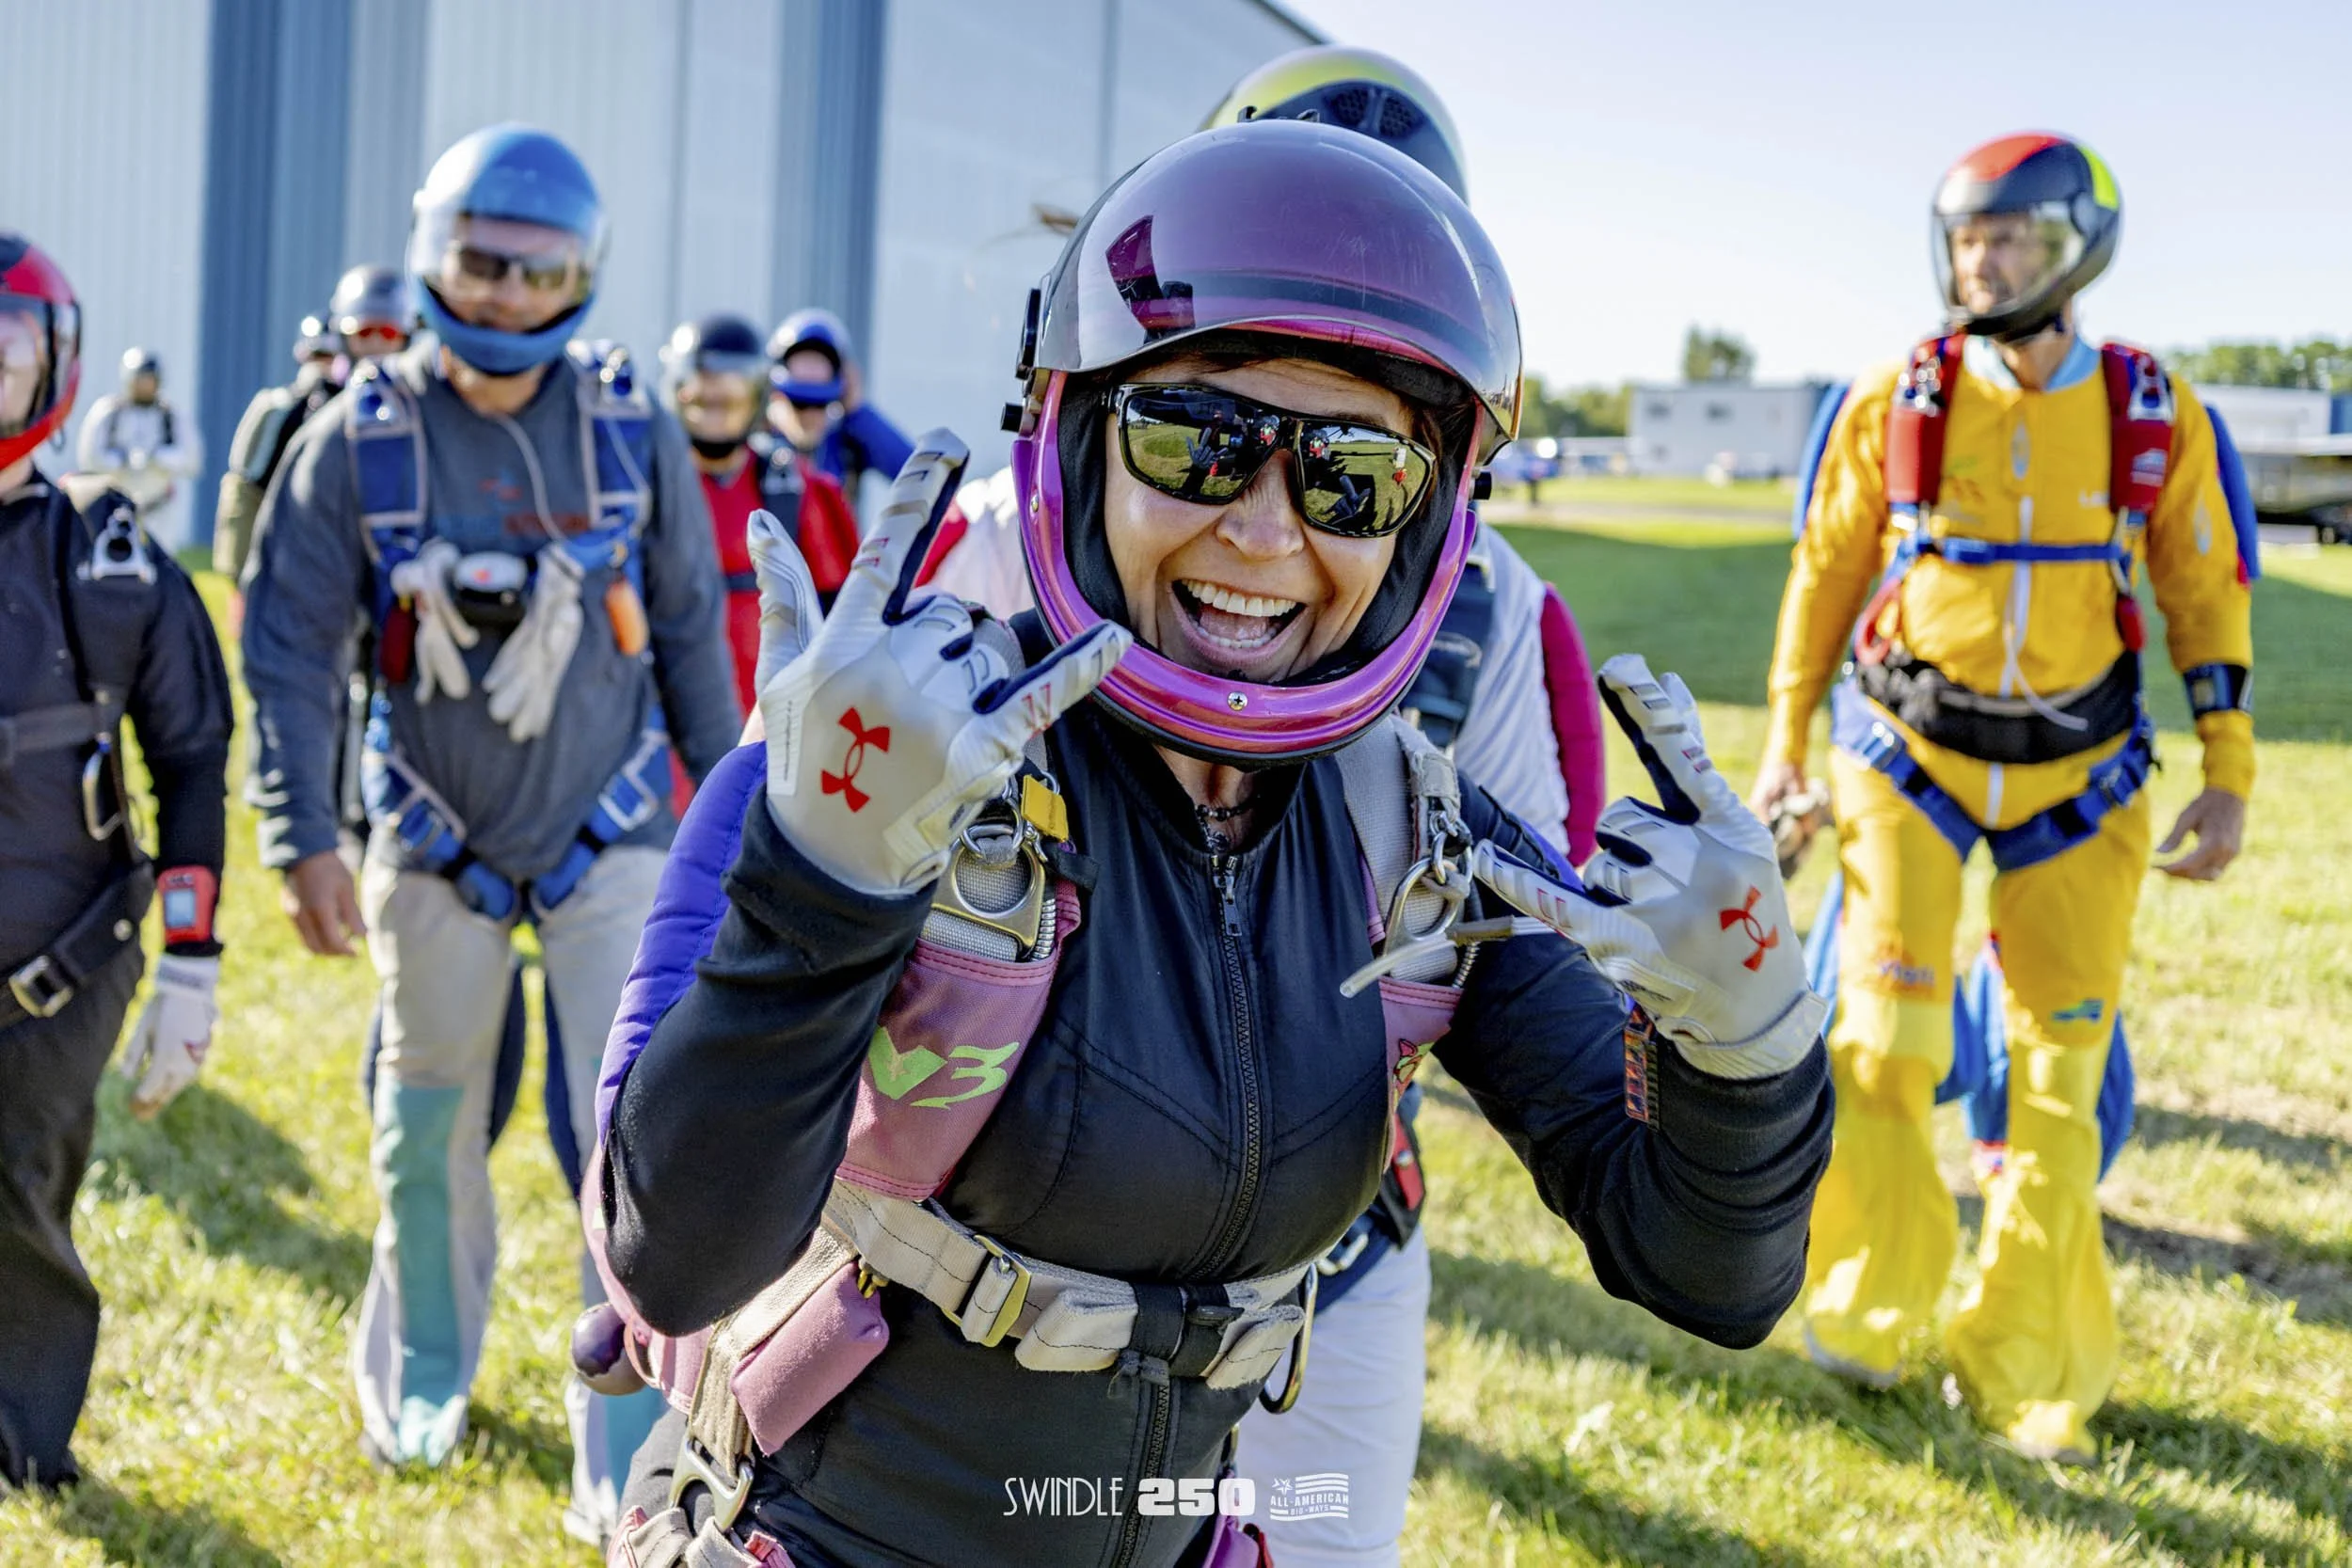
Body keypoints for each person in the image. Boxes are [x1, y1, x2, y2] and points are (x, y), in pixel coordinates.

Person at [584, 120, 1833, 1568]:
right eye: (1197, 442)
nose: (1261, 530)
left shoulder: (1411, 838)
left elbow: (1715, 1274)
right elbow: (668, 1254)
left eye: (1350, 477)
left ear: (1430, 527)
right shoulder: (888, 766)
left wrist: (1747, 1043)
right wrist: (818, 882)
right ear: (1081, 440)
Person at [912, 45, 1607, 1567]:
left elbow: (1522, 964)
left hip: (1326, 1243)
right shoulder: (1000, 530)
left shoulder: (1500, 614)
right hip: (996, 1226)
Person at [236, 125, 738, 1542]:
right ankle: (429, 1366)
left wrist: (732, 822)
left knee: (629, 1131)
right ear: (433, 252)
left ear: (582, 272)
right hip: (434, 839)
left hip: (618, 831)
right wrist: (300, 833)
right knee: (425, 1120)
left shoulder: (630, 425)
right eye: (478, 260)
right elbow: (286, 648)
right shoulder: (360, 438)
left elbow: (692, 632)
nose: (506, 292)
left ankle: (625, 1414)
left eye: (539, 268)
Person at [1751, 134, 2254, 1465]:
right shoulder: (1895, 398)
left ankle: (2023, 1355)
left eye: (2013, 240)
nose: (1983, 262)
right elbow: (1824, 568)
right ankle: (1870, 1306)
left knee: (2056, 1082)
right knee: (1884, 1046)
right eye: (1969, 238)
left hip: (2086, 782)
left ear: (2078, 247)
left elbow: (2207, 586)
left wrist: (2231, 768)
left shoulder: (2152, 408)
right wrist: (1787, 738)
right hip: (1905, 756)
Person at [0, 231, 235, 1489]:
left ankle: (24, 1443)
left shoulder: (114, 556)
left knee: (25, 1197)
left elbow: (193, 755)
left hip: (58, 966)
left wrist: (191, 966)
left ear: (56, 374)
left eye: (3, 356)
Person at [660, 311, 860, 712]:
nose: (715, 407)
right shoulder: (647, 489)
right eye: (701, 396)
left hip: (772, 733)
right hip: (666, 728)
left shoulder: (796, 490)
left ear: (756, 396)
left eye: (731, 396)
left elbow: (848, 621)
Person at [765, 308, 913, 507]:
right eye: (800, 404)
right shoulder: (754, 443)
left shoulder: (846, 441)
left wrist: (857, 410)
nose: (809, 415)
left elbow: (915, 475)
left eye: (819, 405)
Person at [77, 347, 200, 531]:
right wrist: (120, 459)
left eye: (149, 380)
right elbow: (88, 458)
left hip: (159, 510)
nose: (144, 386)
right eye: (139, 380)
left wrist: (158, 457)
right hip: (112, 508)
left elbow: (192, 462)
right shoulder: (108, 412)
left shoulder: (171, 415)